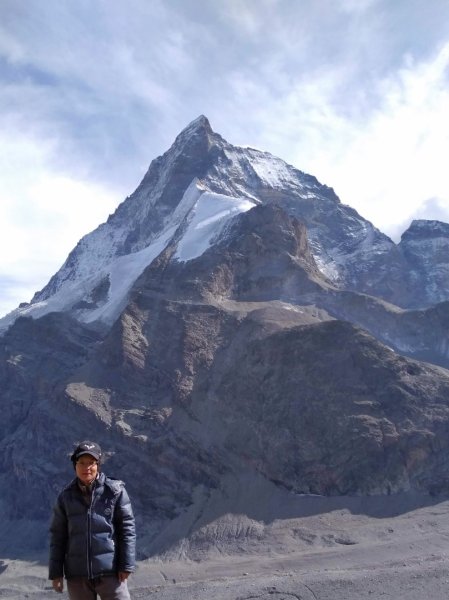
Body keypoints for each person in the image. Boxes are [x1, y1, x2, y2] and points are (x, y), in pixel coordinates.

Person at [49, 441, 136, 599]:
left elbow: (127, 530)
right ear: (75, 465)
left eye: (91, 463)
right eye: (81, 463)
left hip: (111, 573)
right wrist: (56, 573)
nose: (86, 468)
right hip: (77, 576)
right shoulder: (65, 497)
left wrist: (127, 564)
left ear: (98, 465)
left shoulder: (115, 491)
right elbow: (58, 537)